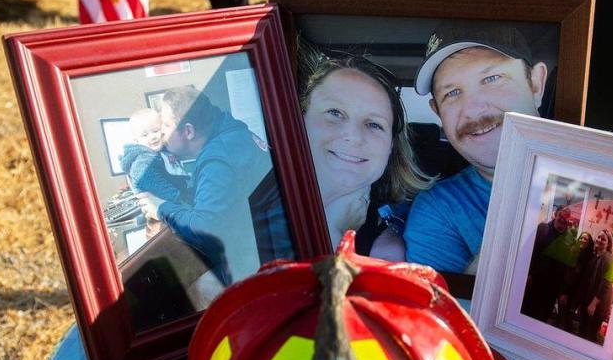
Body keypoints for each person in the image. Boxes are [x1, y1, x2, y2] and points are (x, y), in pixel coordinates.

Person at [403, 21, 549, 272]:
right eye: (452, 93)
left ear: (536, 84)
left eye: (491, 78)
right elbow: (451, 310)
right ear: (437, 112)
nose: (472, 110)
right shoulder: (437, 212)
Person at [136, 85, 289, 282]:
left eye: (166, 125)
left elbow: (205, 229)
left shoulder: (218, 161)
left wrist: (161, 208)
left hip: (272, 264)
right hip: (270, 242)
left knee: (191, 286)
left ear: (189, 131)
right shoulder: (230, 130)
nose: (162, 133)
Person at [296, 41, 434, 256]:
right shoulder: (246, 196)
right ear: (300, 120)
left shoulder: (386, 250)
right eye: (335, 113)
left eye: (373, 124)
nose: (353, 136)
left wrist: (335, 234)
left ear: (391, 148)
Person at [120, 107, 189, 202]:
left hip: (174, 202)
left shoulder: (163, 151)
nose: (152, 137)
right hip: (162, 205)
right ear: (137, 141)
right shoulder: (144, 158)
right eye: (145, 135)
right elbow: (145, 178)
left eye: (155, 131)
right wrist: (178, 197)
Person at [521, 205, 575, 324]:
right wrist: (528, 273)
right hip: (534, 282)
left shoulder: (570, 239)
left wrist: (563, 291)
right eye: (561, 214)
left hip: (552, 289)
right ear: (556, 214)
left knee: (542, 318)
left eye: (566, 217)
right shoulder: (542, 228)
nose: (563, 218)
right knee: (526, 313)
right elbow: (531, 251)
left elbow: (568, 268)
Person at [578, 229, 613, 344]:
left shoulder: (608, 259)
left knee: (588, 336)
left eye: (603, 239)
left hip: (597, 306)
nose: (599, 240)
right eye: (599, 237)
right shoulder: (596, 256)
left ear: (608, 243)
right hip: (589, 302)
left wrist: (593, 304)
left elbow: (606, 284)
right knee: (582, 332)